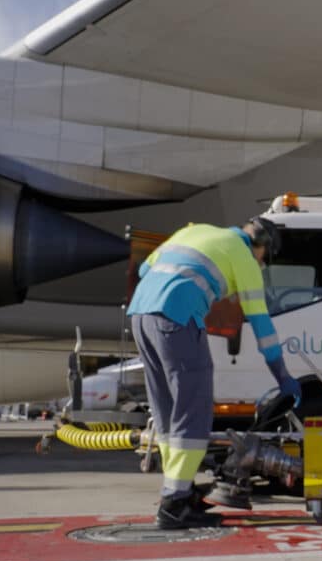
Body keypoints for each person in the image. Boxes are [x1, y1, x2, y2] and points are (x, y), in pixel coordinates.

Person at [128, 216, 302, 529]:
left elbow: (144, 270)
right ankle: (174, 507)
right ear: (260, 247)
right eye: (265, 258)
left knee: (167, 409)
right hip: (176, 318)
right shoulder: (243, 256)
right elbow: (262, 325)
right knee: (193, 408)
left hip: (141, 315)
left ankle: (177, 491)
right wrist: (283, 377)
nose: (262, 264)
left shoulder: (193, 230)